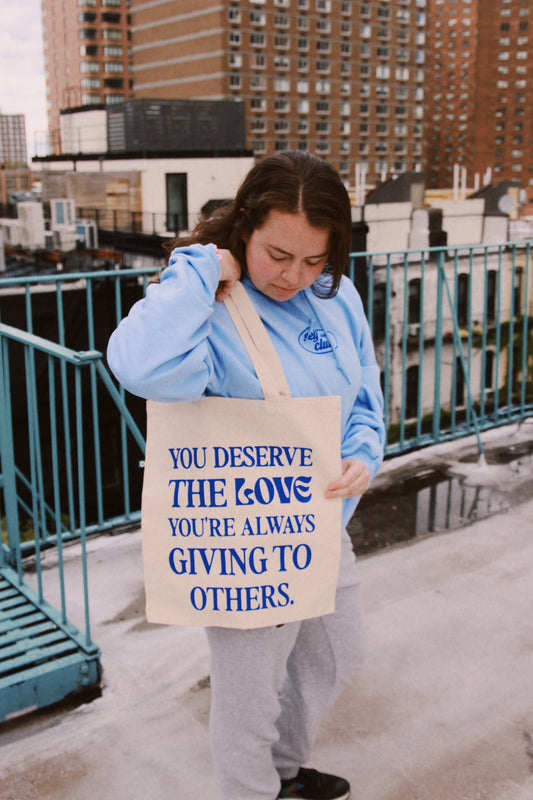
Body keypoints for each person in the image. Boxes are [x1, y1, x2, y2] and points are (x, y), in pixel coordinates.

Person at [107, 151, 385, 800]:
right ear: (244, 229)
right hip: (242, 537)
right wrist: (203, 267)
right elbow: (138, 365)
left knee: (337, 654)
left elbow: (362, 394)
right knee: (248, 696)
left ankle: (284, 772)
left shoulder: (334, 295)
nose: (293, 276)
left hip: (319, 517)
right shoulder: (211, 305)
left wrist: (363, 456)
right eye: (277, 254)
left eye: (314, 259)